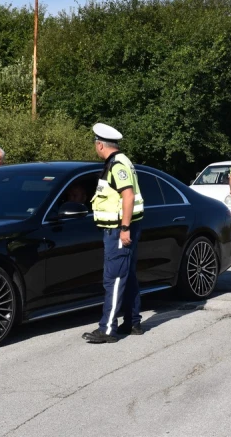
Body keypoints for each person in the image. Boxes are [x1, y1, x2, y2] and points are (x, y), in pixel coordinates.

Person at [82, 123, 145, 344]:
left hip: (119, 229)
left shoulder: (117, 165)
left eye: (95, 143)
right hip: (122, 227)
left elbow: (127, 196)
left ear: (100, 145)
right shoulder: (119, 161)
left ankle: (108, 329)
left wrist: (124, 228)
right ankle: (133, 321)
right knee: (126, 275)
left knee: (114, 278)